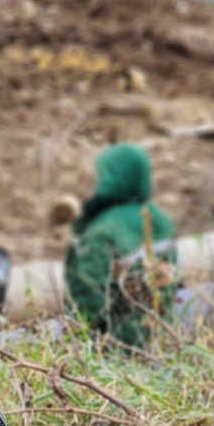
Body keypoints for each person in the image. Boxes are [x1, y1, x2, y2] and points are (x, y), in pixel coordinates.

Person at [63, 143, 176, 346]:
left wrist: (76, 339)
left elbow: (89, 296)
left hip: (116, 345)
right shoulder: (161, 220)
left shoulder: (103, 229)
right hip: (161, 336)